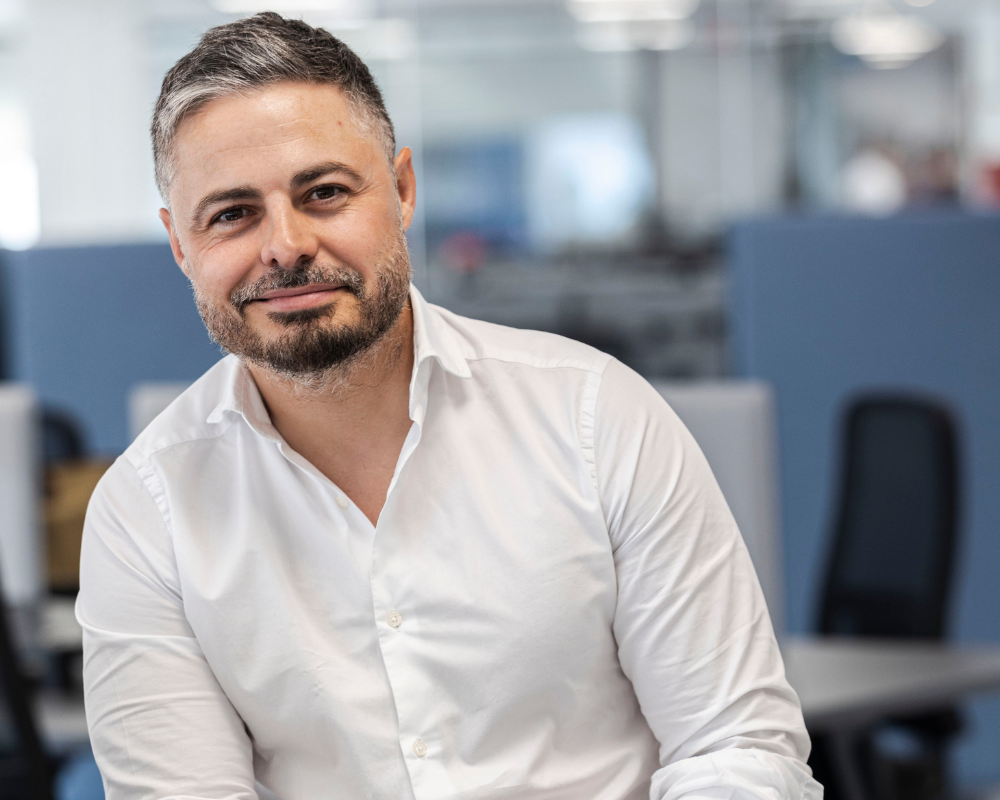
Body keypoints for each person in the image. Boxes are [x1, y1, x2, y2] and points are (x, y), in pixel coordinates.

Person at [77, 13, 822, 800]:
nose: (285, 245)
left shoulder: (595, 419)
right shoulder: (147, 513)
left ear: (402, 191)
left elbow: (735, 747)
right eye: (232, 214)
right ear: (180, 245)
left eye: (324, 193)